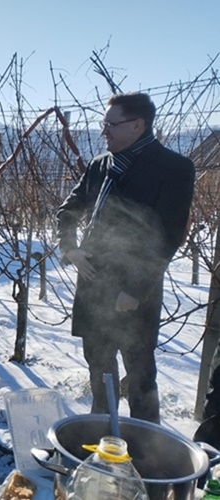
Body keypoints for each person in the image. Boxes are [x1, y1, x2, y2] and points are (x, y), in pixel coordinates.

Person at [56, 92, 195, 424]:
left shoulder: (173, 168)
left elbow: (169, 236)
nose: (104, 132)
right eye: (103, 124)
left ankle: (147, 449)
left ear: (138, 125)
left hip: (134, 290)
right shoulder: (100, 165)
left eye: (110, 125)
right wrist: (69, 248)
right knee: (98, 367)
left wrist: (134, 289)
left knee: (139, 375)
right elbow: (68, 212)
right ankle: (101, 436)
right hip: (93, 283)